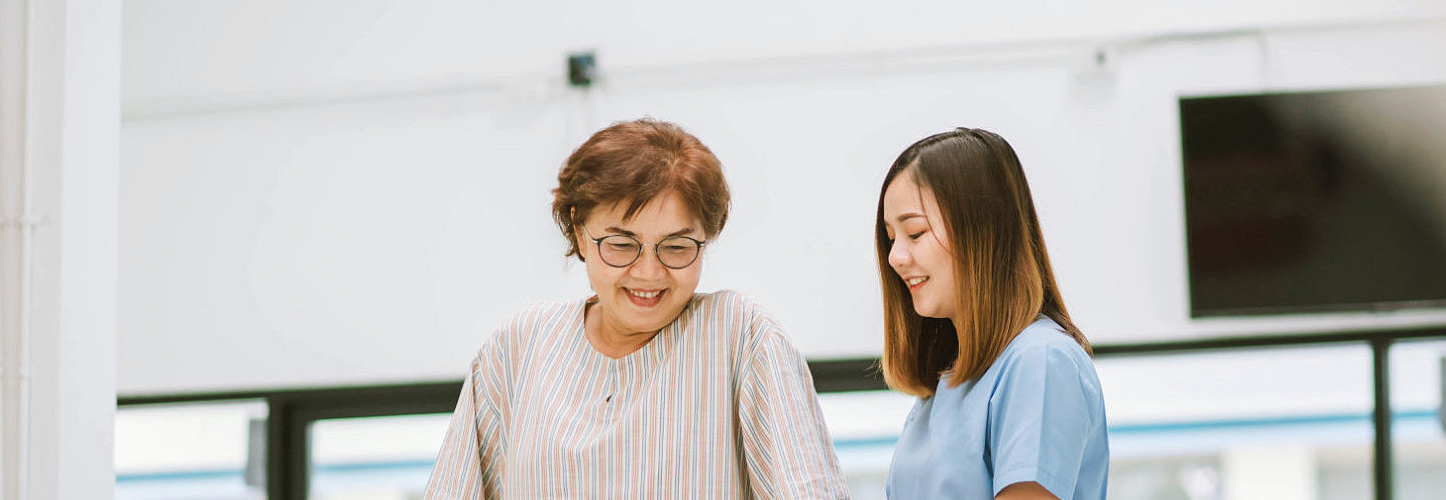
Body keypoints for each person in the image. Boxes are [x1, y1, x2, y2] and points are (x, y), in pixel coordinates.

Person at [425, 119, 848, 499]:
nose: (648, 273)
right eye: (622, 245)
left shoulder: (741, 337)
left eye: (677, 247)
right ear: (578, 230)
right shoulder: (518, 348)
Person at [875, 128, 1109, 499]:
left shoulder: (1040, 361)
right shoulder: (945, 386)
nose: (895, 257)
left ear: (982, 230)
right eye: (891, 239)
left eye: (915, 233)